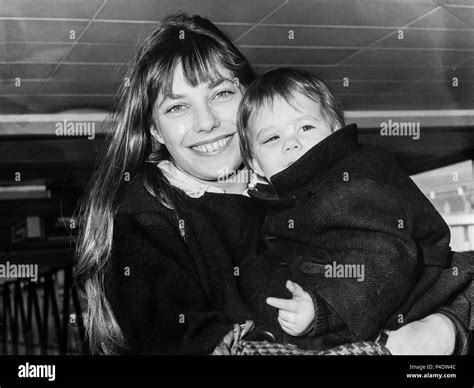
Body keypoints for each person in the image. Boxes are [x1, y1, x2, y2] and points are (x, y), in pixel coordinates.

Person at [73, 12, 472, 355]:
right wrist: (391, 347)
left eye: (222, 92)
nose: (206, 121)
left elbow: (431, 266)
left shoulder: (301, 178)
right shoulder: (146, 213)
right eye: (177, 106)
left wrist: (445, 327)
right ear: (154, 130)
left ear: (249, 99)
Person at [236, 67, 474, 350]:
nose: (292, 143)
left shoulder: (357, 181)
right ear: (254, 161)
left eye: (306, 127)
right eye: (271, 138)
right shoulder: (277, 202)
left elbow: (381, 259)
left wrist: (322, 310)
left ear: (336, 130)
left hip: (426, 293)